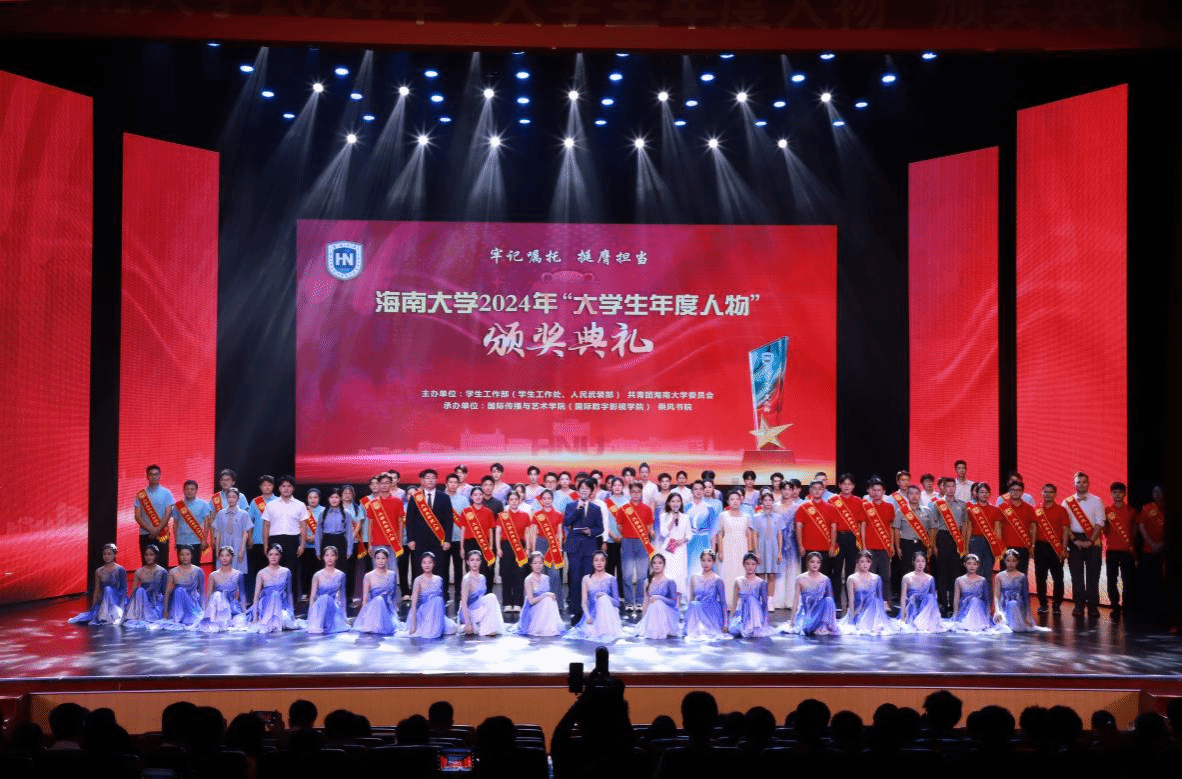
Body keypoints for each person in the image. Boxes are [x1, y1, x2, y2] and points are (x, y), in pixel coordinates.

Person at [406, 469, 455, 599]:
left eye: (433, 477)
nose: (430, 480)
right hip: (419, 540)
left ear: (437, 480)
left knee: (440, 568)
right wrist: (410, 539)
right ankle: (419, 596)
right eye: (427, 478)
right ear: (422, 480)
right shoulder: (416, 497)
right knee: (419, 567)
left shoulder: (444, 497)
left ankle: (442, 596)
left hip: (439, 540)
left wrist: (448, 540)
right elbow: (409, 520)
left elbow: (449, 521)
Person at [1063, 471, 1105, 618]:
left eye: (1084, 482)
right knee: (1076, 577)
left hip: (1093, 539)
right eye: (1078, 482)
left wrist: (1090, 541)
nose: (1081, 484)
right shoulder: (1067, 502)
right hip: (1074, 540)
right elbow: (1065, 525)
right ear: (1074, 484)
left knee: (1093, 576)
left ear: (1088, 483)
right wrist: (1075, 540)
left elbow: (1100, 522)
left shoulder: (1097, 500)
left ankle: (1093, 607)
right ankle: (1078, 606)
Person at [563, 479, 605, 623]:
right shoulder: (571, 506)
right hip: (574, 547)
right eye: (582, 488)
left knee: (587, 579)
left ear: (591, 491)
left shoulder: (596, 508)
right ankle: (576, 610)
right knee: (575, 579)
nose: (584, 490)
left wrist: (590, 531)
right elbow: (566, 522)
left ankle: (589, 609)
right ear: (578, 490)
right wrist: (577, 510)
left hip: (589, 547)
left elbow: (600, 528)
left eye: (587, 488)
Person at [262, 476, 307, 605]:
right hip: (275, 540)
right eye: (283, 486)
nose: (286, 489)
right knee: (274, 571)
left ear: (293, 488)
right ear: (279, 488)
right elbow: (266, 526)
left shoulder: (300, 505)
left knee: (291, 572)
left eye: (289, 486)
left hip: (292, 541)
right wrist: (266, 545)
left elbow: (303, 526)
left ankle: (291, 603)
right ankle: (273, 601)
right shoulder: (271, 505)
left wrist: (302, 544)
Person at [931, 477, 970, 615]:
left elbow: (964, 525)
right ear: (943, 488)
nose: (951, 489)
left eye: (953, 486)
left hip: (957, 539)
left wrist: (964, 544)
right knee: (942, 572)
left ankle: (954, 604)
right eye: (948, 486)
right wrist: (933, 545)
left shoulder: (962, 504)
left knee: (956, 573)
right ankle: (942, 603)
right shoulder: (937, 504)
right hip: (942, 538)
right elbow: (933, 526)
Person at [616, 481, 656, 614]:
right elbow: (619, 526)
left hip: (642, 543)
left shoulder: (647, 509)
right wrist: (628, 534)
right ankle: (628, 602)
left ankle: (639, 601)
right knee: (627, 574)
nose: (636, 494)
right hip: (627, 542)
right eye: (633, 492)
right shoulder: (623, 509)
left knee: (642, 575)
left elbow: (649, 526)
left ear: (641, 493)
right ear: (629, 493)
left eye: (638, 492)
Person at [829, 474, 868, 610]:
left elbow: (862, 523)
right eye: (844, 484)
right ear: (839, 485)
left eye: (849, 484)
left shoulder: (858, 501)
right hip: (838, 537)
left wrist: (862, 542)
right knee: (837, 570)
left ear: (853, 486)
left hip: (853, 538)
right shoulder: (833, 500)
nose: (847, 487)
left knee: (851, 571)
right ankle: (837, 601)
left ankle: (852, 601)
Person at [366, 474, 407, 601]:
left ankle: (392, 602)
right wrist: (369, 544)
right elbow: (370, 524)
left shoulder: (397, 501)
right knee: (377, 573)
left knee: (392, 573)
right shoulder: (373, 503)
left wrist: (399, 543)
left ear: (391, 484)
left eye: (387, 483)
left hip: (393, 543)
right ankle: (377, 601)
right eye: (382, 483)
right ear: (378, 485)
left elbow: (400, 523)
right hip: (377, 543)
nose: (384, 485)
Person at [838, 551, 899, 635]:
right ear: (857, 563)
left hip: (874, 611)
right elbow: (851, 600)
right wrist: (851, 619)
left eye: (868, 561)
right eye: (862, 562)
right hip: (859, 610)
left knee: (874, 600)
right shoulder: (852, 578)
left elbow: (880, 598)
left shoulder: (876, 578)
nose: (865, 564)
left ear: (871, 563)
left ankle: (876, 622)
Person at [567, 550, 623, 640]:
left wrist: (605, 596)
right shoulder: (586, 579)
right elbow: (584, 602)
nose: (599, 563)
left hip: (608, 615)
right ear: (592, 562)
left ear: (606, 562)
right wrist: (588, 616)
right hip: (592, 614)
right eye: (596, 560)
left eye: (602, 560)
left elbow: (617, 603)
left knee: (603, 598)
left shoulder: (611, 579)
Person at [69, 543, 127, 625]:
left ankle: (114, 614)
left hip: (117, 599)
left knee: (108, 590)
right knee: (107, 590)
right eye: (104, 554)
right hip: (104, 598)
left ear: (114, 555)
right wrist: (93, 606)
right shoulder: (99, 571)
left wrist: (122, 606)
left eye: (109, 554)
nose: (106, 556)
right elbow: (97, 589)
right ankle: (104, 614)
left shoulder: (120, 569)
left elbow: (124, 589)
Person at [715, 489, 755, 611]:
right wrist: (720, 551)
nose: (735, 501)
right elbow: (720, 534)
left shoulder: (746, 516)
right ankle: (727, 602)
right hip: (727, 545)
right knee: (727, 573)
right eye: (732, 499)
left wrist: (750, 551)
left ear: (741, 501)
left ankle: (741, 603)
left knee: (741, 572)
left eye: (737, 499)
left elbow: (749, 534)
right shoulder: (723, 515)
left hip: (742, 547)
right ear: (728, 501)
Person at [1033, 483, 1069, 614]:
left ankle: (1056, 605)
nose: (1047, 494)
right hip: (1040, 547)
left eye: (1051, 492)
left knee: (1058, 578)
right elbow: (1032, 529)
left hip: (1056, 547)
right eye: (1045, 492)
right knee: (1040, 577)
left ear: (1055, 494)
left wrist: (1064, 548)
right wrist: (1032, 546)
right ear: (1041, 493)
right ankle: (1043, 604)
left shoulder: (1061, 510)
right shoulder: (1036, 509)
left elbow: (1065, 529)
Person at [861, 477, 898, 609]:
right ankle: (869, 603)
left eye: (879, 490)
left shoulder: (889, 507)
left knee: (885, 577)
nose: (876, 493)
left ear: (883, 492)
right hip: (870, 547)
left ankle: (886, 602)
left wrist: (891, 545)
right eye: (874, 490)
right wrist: (864, 546)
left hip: (884, 546)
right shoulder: (866, 506)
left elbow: (891, 527)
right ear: (870, 491)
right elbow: (863, 527)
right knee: (869, 577)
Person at [403, 551, 457, 638]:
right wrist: (413, 623)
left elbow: (441, 603)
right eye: (424, 562)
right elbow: (414, 603)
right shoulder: (418, 580)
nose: (427, 565)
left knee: (451, 629)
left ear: (434, 564)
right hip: (423, 613)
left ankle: (437, 625)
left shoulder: (439, 579)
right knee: (437, 600)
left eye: (429, 562)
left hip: (436, 613)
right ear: (421, 564)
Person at [782, 551, 838, 635]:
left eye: (818, 562)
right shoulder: (800, 579)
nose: (815, 565)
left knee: (829, 600)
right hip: (807, 613)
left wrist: (833, 621)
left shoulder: (825, 579)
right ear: (807, 563)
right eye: (812, 562)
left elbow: (831, 602)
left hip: (820, 613)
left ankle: (823, 626)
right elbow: (796, 599)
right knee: (806, 629)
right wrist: (792, 620)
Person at [1103, 481, 1136, 618]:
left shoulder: (1131, 511)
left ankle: (1126, 606)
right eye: (1115, 492)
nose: (1117, 495)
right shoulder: (1106, 511)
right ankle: (1115, 607)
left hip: (1127, 551)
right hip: (1112, 550)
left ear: (1124, 494)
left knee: (1127, 580)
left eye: (1120, 492)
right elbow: (1104, 530)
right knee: (1112, 579)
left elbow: (1134, 530)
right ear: (1111, 494)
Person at [993, 549, 1048, 633]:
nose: (1011, 563)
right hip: (1004, 607)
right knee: (1003, 624)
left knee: (1013, 604)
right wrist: (997, 611)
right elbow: (997, 595)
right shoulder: (999, 576)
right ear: (1004, 561)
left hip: (1018, 607)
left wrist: (1028, 615)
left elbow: (1026, 597)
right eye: (1008, 560)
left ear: (1017, 562)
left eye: (1013, 561)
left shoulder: (1022, 576)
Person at [195, 546, 248, 632]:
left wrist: (244, 610)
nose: (224, 558)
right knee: (217, 594)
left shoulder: (238, 574)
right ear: (219, 557)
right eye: (222, 555)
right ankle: (217, 621)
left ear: (232, 557)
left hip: (232, 607)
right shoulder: (213, 575)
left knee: (239, 625)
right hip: (218, 606)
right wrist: (206, 610)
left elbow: (242, 594)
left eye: (227, 555)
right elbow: (209, 594)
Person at [892, 484, 937, 586]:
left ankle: (921, 591)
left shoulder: (928, 511)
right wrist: (897, 547)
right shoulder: (901, 511)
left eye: (917, 494)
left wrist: (930, 546)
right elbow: (896, 529)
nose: (914, 496)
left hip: (922, 544)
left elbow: (932, 529)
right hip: (906, 544)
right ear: (907, 495)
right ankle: (906, 593)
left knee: (921, 569)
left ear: (920, 495)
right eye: (911, 494)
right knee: (906, 570)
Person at [248, 543, 297, 633]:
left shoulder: (286, 572)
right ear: (267, 556)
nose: (273, 557)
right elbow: (256, 595)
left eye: (276, 554)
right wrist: (255, 616)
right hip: (266, 605)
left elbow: (289, 593)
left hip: (282, 605)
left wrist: (292, 613)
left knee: (285, 620)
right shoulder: (261, 573)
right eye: (270, 554)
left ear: (280, 556)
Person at [495, 490, 531, 613]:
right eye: (511, 499)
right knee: (506, 574)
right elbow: (498, 532)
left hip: (520, 547)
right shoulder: (502, 515)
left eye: (516, 499)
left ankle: (517, 603)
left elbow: (527, 533)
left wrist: (528, 548)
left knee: (520, 574)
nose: (514, 502)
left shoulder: (525, 515)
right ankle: (507, 603)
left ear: (520, 501)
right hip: (506, 546)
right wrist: (498, 548)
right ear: (507, 501)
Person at [512, 551, 564, 636]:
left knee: (550, 599)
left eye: (540, 563)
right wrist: (545, 595)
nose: (538, 566)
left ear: (543, 564)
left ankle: (550, 627)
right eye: (535, 563)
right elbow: (531, 601)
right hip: (533, 609)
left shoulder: (546, 578)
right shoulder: (528, 579)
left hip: (545, 607)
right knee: (547, 599)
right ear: (531, 564)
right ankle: (541, 627)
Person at [530, 488, 565, 607]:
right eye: (544, 498)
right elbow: (534, 533)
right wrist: (533, 550)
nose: (547, 500)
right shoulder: (537, 514)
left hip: (553, 545)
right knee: (540, 572)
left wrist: (559, 547)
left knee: (554, 574)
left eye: (549, 498)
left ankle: (557, 604)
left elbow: (560, 532)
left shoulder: (558, 514)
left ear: (552, 499)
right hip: (540, 543)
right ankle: (540, 603)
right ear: (541, 500)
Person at [796, 480, 839, 577]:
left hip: (825, 548)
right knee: (807, 577)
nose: (817, 491)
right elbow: (798, 527)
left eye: (820, 489)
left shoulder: (831, 508)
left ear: (824, 490)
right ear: (810, 490)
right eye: (814, 489)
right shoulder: (803, 507)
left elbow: (833, 528)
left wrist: (832, 546)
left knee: (824, 576)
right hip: (807, 548)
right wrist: (800, 546)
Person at [353, 547, 401, 635]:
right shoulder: (368, 576)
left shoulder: (392, 575)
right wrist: (363, 616)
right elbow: (365, 599)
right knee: (379, 599)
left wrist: (394, 612)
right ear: (374, 560)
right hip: (373, 609)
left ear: (387, 559)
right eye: (378, 558)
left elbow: (393, 596)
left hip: (387, 609)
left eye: (383, 558)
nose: (380, 561)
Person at [134, 465, 174, 568]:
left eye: (156, 474)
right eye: (151, 474)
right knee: (146, 564)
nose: (154, 477)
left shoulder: (167, 493)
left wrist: (157, 529)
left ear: (160, 476)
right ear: (147, 476)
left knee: (162, 562)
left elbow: (168, 513)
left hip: (162, 533)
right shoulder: (140, 495)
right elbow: (137, 516)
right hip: (145, 534)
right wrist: (151, 530)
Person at [303, 546, 349, 634]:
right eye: (327, 555)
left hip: (333, 606)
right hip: (319, 606)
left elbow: (343, 596)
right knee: (324, 598)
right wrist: (310, 615)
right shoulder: (317, 575)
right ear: (323, 557)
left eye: (332, 555)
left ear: (336, 557)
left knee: (327, 599)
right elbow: (313, 596)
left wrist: (344, 615)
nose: (329, 558)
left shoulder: (341, 575)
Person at [632, 553, 680, 639]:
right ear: (651, 565)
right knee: (655, 604)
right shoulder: (647, 582)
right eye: (654, 563)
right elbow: (646, 601)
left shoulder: (670, 581)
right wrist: (644, 618)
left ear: (664, 565)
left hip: (668, 612)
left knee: (658, 603)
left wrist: (659, 598)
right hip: (652, 612)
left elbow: (674, 602)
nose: (657, 565)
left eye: (660, 563)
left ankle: (661, 629)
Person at [459, 549, 506, 636]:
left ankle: (486, 627)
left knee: (491, 599)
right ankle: (483, 628)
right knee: (491, 597)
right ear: (467, 562)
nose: (475, 563)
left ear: (480, 562)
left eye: (477, 560)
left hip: (479, 608)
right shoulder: (467, 579)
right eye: (472, 560)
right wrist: (467, 623)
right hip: (468, 612)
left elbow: (482, 599)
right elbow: (464, 603)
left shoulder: (482, 578)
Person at [966, 482, 1004, 589]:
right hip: (975, 542)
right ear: (977, 494)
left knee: (987, 573)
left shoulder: (995, 510)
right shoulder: (971, 510)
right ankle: (975, 596)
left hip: (990, 543)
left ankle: (987, 598)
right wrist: (966, 546)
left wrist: (998, 546)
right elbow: (969, 529)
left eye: (986, 492)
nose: (984, 494)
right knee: (975, 572)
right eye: (981, 492)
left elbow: (997, 529)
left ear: (989, 494)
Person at [684, 550, 728, 639]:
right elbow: (692, 598)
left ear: (713, 561)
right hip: (698, 610)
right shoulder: (694, 578)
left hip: (712, 611)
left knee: (696, 605)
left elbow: (723, 602)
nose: (706, 563)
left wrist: (725, 623)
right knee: (694, 604)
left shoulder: (717, 579)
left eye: (709, 560)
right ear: (700, 561)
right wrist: (687, 617)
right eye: (703, 560)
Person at [750, 491, 783, 608]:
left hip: (773, 547)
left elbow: (779, 535)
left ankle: (769, 601)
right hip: (761, 546)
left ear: (773, 502)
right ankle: (761, 599)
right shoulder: (756, 517)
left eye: (770, 500)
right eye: (765, 500)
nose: (768, 503)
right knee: (760, 574)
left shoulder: (778, 517)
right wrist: (756, 552)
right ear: (762, 502)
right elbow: (754, 535)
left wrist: (779, 552)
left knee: (772, 574)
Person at [123, 543, 168, 628]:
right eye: (146, 555)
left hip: (156, 602)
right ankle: (139, 615)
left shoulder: (162, 571)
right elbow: (133, 591)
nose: (148, 557)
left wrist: (166, 609)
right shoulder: (139, 572)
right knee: (140, 590)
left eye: (151, 555)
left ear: (156, 556)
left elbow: (165, 591)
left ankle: (151, 614)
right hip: (142, 601)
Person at [247, 475, 277, 598]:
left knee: (273, 569)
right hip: (258, 541)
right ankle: (258, 595)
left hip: (274, 540)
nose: (267, 487)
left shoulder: (278, 501)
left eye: (269, 484)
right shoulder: (255, 502)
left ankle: (272, 594)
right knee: (258, 570)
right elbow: (249, 522)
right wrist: (250, 538)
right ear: (260, 487)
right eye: (264, 485)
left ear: (273, 486)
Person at [659, 492, 692, 604]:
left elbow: (689, 535)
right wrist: (673, 519)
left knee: (680, 575)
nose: (675, 503)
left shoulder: (685, 517)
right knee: (668, 573)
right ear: (668, 503)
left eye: (677, 501)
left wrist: (683, 540)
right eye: (673, 501)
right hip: (668, 548)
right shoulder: (664, 516)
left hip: (681, 549)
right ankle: (667, 602)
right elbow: (663, 533)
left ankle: (677, 604)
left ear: (681, 503)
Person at [998, 480, 1036, 575]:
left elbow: (1033, 528)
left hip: (1023, 546)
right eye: (1012, 490)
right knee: (1005, 576)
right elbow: (998, 527)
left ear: (1022, 492)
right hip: (1006, 547)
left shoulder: (1029, 508)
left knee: (1021, 575)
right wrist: (999, 544)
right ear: (1009, 491)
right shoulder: (1002, 507)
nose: (1015, 492)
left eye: (1018, 490)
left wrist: (1032, 545)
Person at [729, 552, 772, 637]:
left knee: (751, 599)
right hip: (742, 612)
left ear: (756, 565)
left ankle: (753, 625)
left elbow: (764, 603)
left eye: (753, 564)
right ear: (743, 565)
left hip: (755, 613)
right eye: (747, 564)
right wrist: (731, 618)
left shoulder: (761, 582)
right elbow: (734, 601)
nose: (750, 567)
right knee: (734, 629)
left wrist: (765, 621)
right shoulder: (738, 581)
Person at [899, 550, 943, 632]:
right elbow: (903, 597)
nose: (920, 564)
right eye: (918, 561)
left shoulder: (930, 578)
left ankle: (929, 621)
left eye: (923, 561)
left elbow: (933, 598)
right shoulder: (907, 577)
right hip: (913, 606)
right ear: (913, 562)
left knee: (930, 597)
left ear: (926, 563)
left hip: (925, 607)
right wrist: (902, 616)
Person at [947, 554, 993, 632]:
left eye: (974, 564)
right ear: (964, 564)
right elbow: (956, 599)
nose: (972, 566)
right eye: (969, 563)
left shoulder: (982, 580)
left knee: (975, 600)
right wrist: (955, 614)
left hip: (979, 609)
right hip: (965, 608)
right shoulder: (959, 580)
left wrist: (987, 616)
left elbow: (987, 600)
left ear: (978, 565)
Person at [163, 545, 205, 629]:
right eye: (182, 554)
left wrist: (203, 608)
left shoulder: (198, 571)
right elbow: (167, 593)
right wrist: (165, 611)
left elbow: (202, 591)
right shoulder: (173, 572)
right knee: (179, 590)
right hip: (176, 605)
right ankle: (178, 617)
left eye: (187, 554)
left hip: (192, 604)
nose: (184, 557)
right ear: (178, 556)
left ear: (191, 555)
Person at [172, 479, 213, 565]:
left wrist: (204, 539)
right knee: (182, 566)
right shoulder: (178, 505)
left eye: (192, 489)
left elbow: (207, 523)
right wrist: (176, 540)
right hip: (181, 541)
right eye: (187, 489)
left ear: (196, 490)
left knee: (195, 566)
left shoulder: (203, 504)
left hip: (196, 541)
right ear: (183, 490)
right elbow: (175, 523)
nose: (189, 491)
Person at [211, 487, 251, 574]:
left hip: (238, 545)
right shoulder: (221, 513)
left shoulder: (244, 514)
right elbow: (218, 532)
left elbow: (245, 533)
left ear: (238, 499)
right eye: (229, 497)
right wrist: (217, 550)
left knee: (237, 572)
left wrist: (242, 550)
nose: (231, 499)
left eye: (233, 497)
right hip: (224, 544)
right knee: (222, 571)